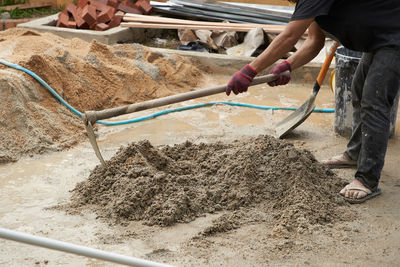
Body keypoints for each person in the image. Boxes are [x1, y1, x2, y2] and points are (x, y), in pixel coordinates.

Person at [226, 0, 400, 203]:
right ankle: (355, 154)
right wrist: (288, 65)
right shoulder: (310, 4)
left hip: (395, 39)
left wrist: (250, 70)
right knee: (359, 91)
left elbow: (290, 36)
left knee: (374, 101)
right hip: (380, 39)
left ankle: (367, 180)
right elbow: (314, 42)